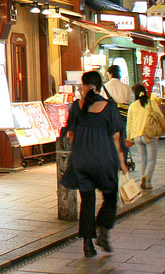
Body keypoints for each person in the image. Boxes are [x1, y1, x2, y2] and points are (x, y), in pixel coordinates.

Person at [61, 70, 127, 258]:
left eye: (81, 85)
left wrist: (79, 151)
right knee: (110, 196)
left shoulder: (77, 106)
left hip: (82, 160)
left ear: (87, 86)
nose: (80, 89)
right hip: (104, 159)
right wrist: (122, 163)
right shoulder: (110, 108)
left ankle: (87, 245)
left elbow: (71, 134)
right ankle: (103, 229)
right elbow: (116, 138)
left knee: (87, 202)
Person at [126, 84, 165, 190]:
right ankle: (147, 178)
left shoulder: (133, 105)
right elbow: (160, 117)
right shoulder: (152, 103)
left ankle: (146, 182)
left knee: (143, 159)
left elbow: (129, 123)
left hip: (137, 136)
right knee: (151, 159)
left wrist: (129, 138)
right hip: (150, 134)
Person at [104, 65, 134, 169]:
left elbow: (103, 101)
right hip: (123, 116)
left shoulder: (106, 86)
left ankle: (113, 161)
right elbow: (129, 100)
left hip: (110, 116)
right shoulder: (126, 87)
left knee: (111, 138)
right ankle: (123, 162)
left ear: (110, 74)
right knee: (123, 138)